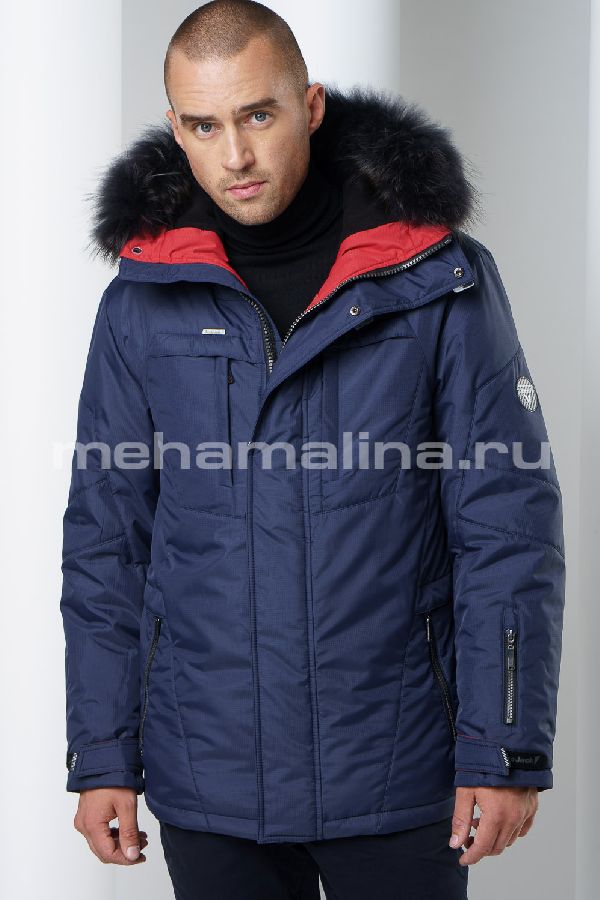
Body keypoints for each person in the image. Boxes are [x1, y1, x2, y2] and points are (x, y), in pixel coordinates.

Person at [60, 2, 566, 898]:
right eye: (204, 126)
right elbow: (107, 542)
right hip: (209, 774)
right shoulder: (141, 301)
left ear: (311, 105)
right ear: (176, 128)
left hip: (400, 769)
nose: (236, 155)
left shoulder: (436, 279)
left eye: (258, 115)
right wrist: (103, 753)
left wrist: (505, 746)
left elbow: (507, 525)